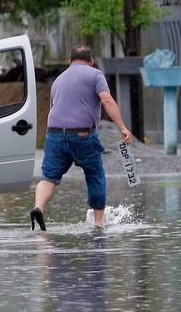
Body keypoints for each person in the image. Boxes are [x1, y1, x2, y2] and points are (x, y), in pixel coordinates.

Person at [30, 44, 131, 231]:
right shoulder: (95, 74)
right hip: (82, 134)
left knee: (48, 178)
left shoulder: (58, 80)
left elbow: (55, 107)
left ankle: (38, 207)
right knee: (95, 175)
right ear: (91, 61)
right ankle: (99, 223)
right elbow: (107, 100)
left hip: (54, 134)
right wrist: (123, 128)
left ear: (70, 61)